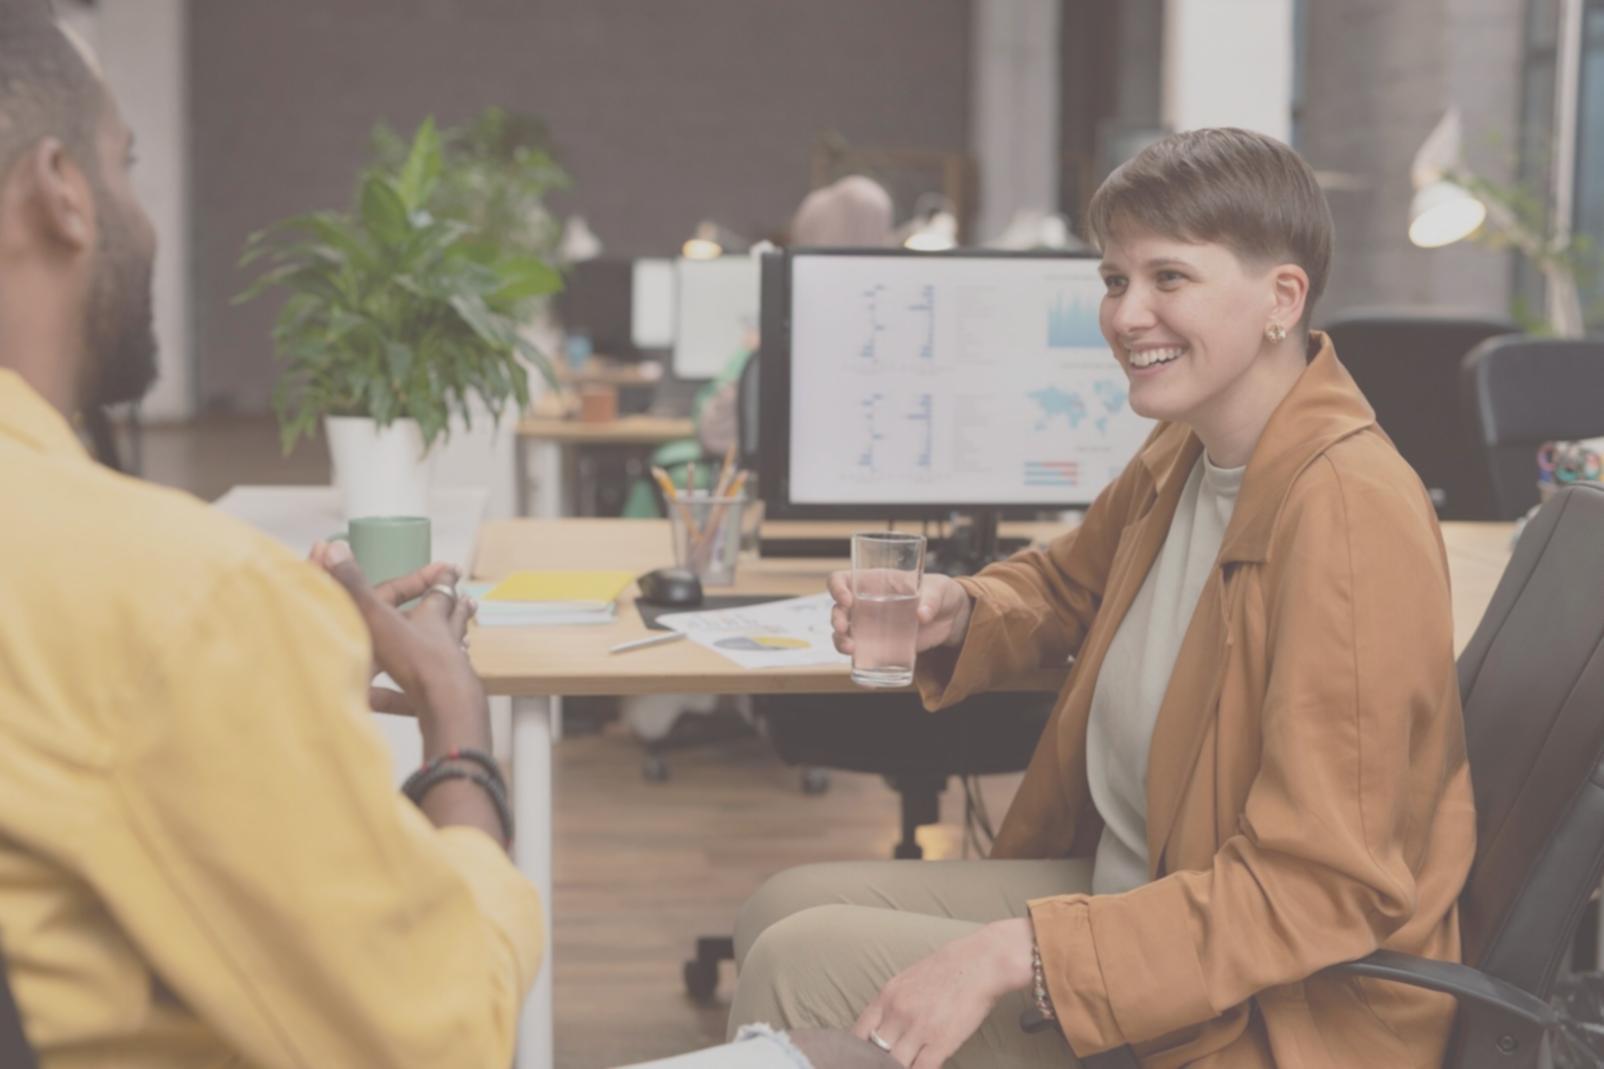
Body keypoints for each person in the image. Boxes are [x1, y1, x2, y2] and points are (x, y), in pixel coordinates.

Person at [729, 128, 1475, 1068]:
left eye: (1169, 278)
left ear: (1283, 298)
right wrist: (957, 608)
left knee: (798, 963)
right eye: (1115, 279)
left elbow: (1323, 885)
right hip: (1146, 894)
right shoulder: (1192, 445)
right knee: (776, 910)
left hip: (1275, 1010)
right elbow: (1070, 581)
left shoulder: (1348, 514)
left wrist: (1023, 952)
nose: (1126, 315)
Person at [0, 5, 544, 1064]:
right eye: (128, 162)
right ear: (59, 190)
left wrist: (280, 677)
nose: (139, 213)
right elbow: (445, 1040)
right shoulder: (174, 600)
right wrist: (455, 731)